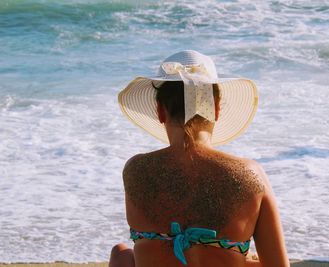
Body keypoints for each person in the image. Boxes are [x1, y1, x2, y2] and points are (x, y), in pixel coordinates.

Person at [110, 50, 289, 267]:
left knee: (121, 253)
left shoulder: (136, 170)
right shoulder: (250, 174)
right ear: (215, 108)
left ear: (160, 110)